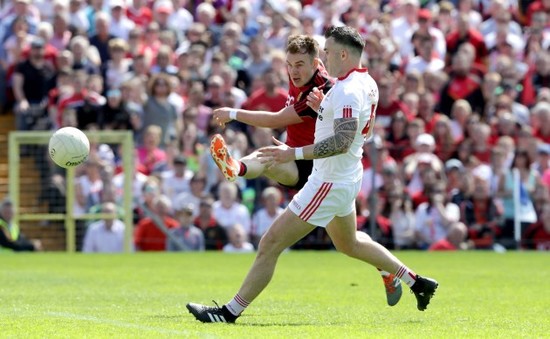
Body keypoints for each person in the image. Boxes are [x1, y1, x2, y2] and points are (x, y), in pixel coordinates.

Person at [187, 26, 438, 323]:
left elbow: (340, 142)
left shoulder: (346, 90)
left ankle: (228, 313)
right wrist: (323, 110)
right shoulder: (364, 81)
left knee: (270, 243)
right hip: (345, 176)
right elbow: (346, 129)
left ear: (343, 54)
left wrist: (292, 153)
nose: (325, 59)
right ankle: (417, 282)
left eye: (328, 52)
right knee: (350, 244)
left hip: (328, 180)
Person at [211, 33, 402, 304]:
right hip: (309, 162)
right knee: (350, 243)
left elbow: (277, 118)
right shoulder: (311, 72)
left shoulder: (321, 88)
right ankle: (237, 167)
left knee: (279, 240)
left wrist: (233, 113)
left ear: (315, 63)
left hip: (316, 167)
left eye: (299, 64)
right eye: (289, 64)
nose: (293, 71)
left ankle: (231, 309)